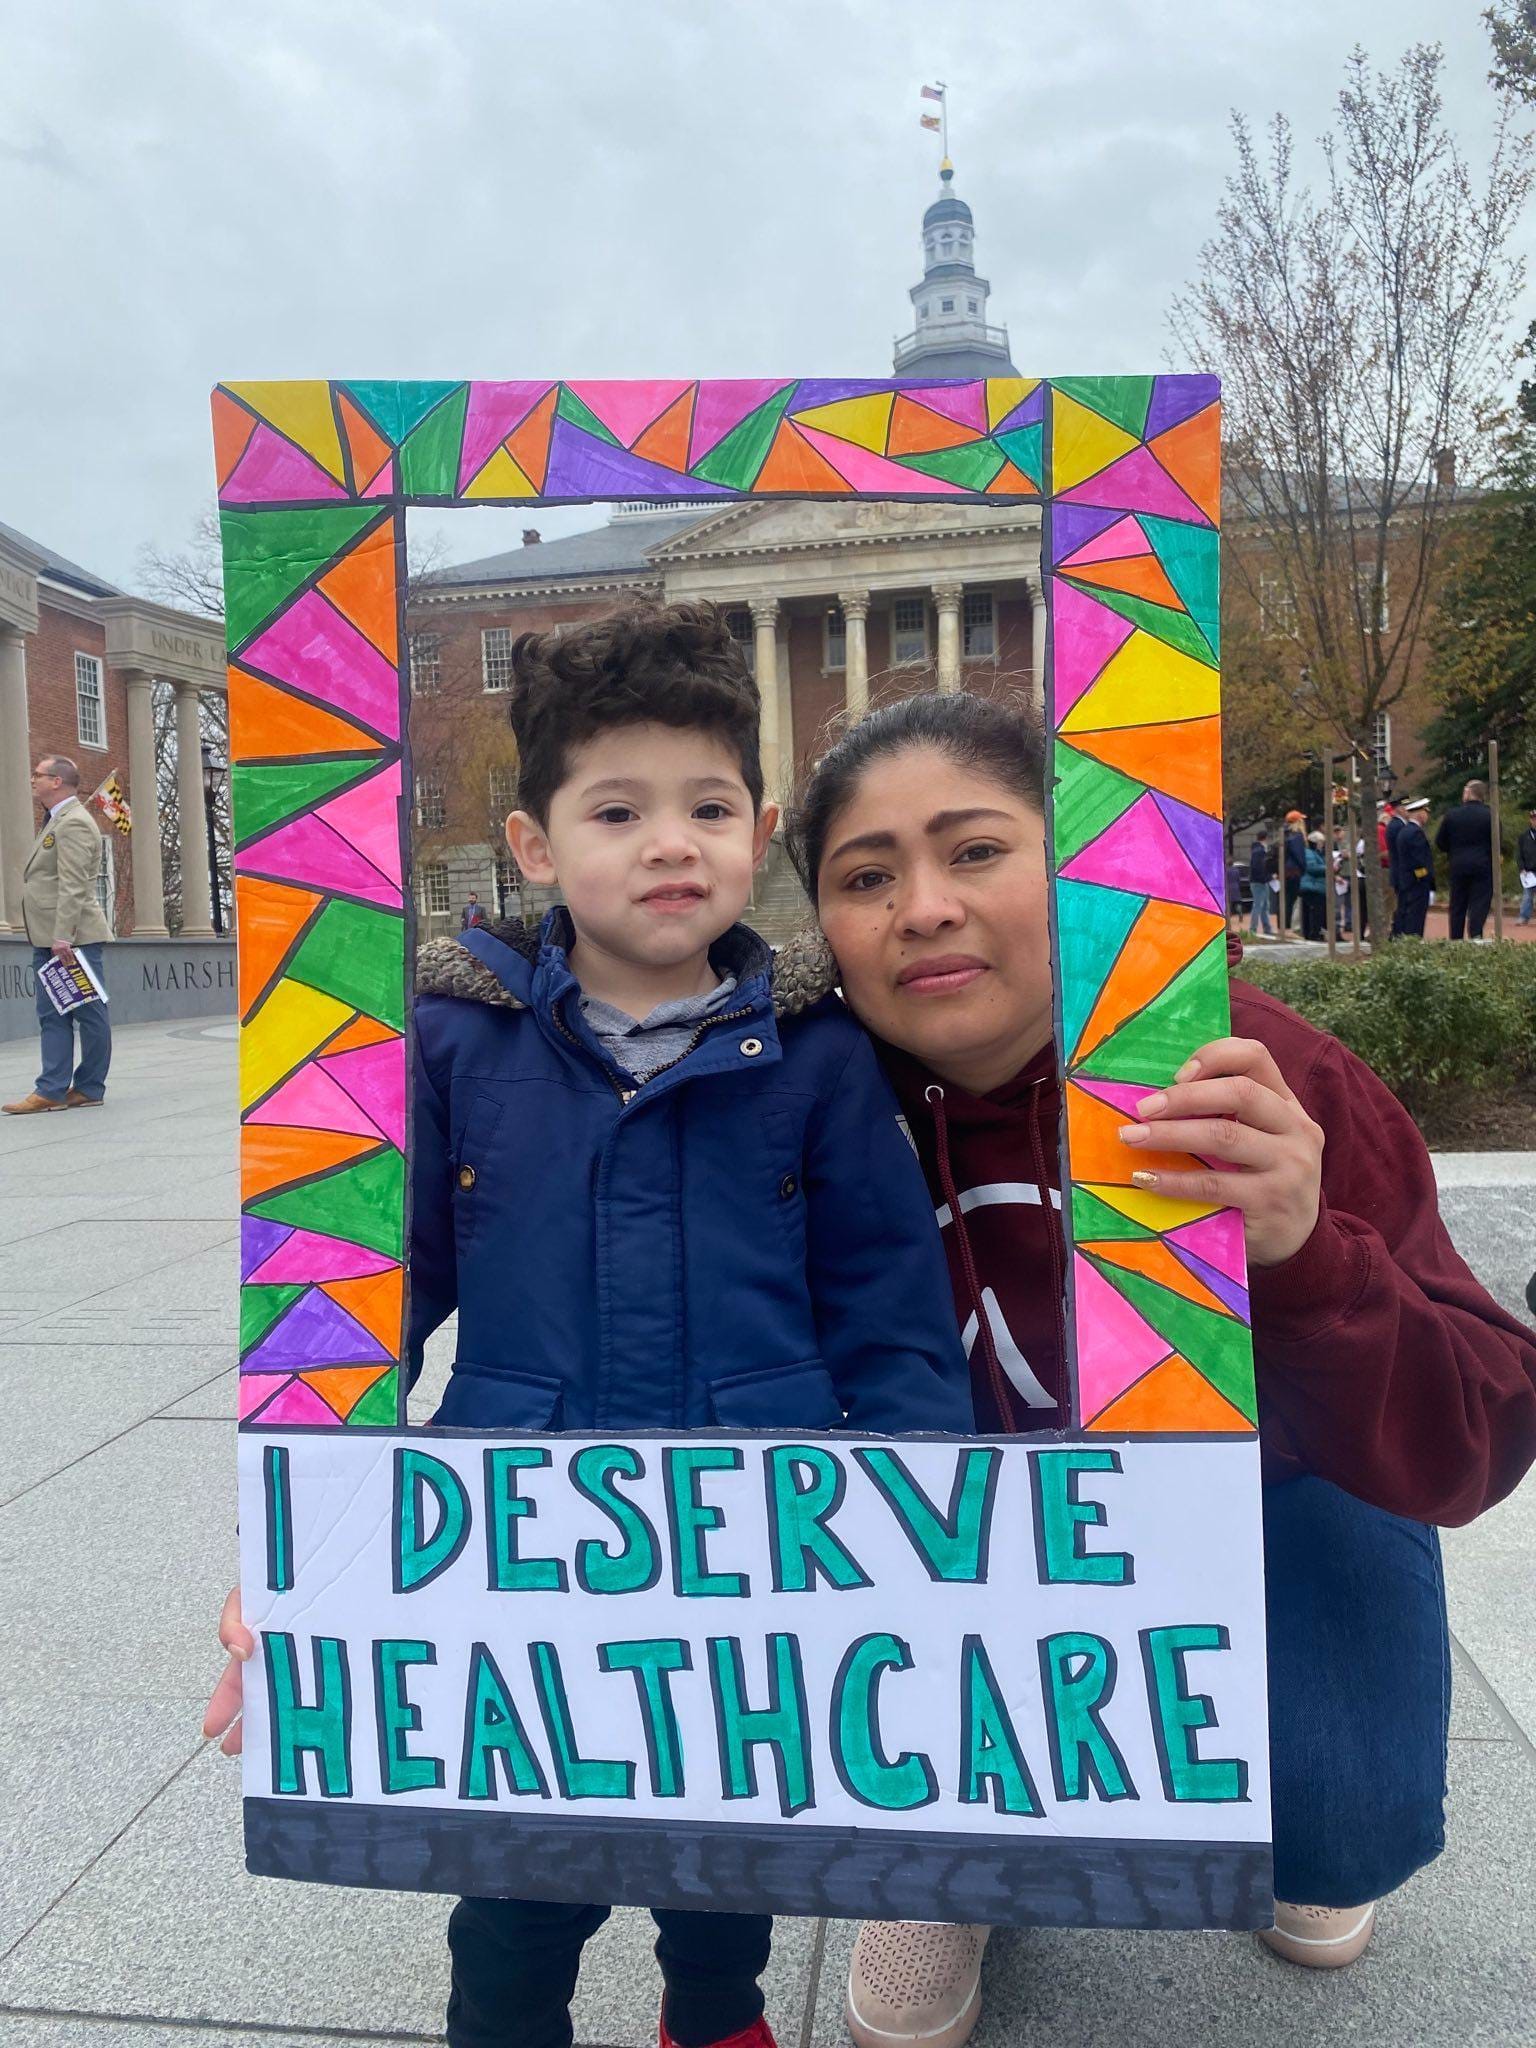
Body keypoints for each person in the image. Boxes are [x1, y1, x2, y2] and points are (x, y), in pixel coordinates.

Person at [202, 603, 972, 2048]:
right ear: (537, 845)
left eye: (708, 806)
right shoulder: (451, 1040)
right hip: (517, 1526)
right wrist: (298, 1540)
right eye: (618, 810)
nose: (670, 842)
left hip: (760, 1520)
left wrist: (935, 1528)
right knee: (514, 1878)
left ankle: (713, 2014)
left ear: (759, 830)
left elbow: (887, 1308)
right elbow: (366, 1297)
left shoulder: (814, 1050)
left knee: (726, 1840)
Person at [780, 692, 1536, 2048]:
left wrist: (1309, 1256)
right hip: (948, 1538)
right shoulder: (790, 1105)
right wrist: (353, 1580)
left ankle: (1298, 1796)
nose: (926, 908)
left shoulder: (1258, 1070)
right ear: (825, 926)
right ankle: (949, 1844)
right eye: (866, 876)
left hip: (1257, 1506)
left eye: (974, 851)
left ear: (1073, 869)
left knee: (1341, 1822)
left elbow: (1482, 1431)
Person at [2, 755, 113, 1116]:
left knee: (89, 1013)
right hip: (49, 937)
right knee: (52, 1014)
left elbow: (74, 884)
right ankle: (51, 1088)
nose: (32, 779)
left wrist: (62, 935)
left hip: (70, 939)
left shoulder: (74, 823)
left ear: (57, 782)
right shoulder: (55, 821)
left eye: (39, 775)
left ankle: (88, 1086)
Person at [1436, 780, 1496, 941]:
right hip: (1482, 864)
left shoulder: (1452, 814)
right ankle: (1475, 936)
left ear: (1469, 793)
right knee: (1479, 903)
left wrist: (1454, 851)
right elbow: (1497, 841)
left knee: (1457, 905)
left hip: (1458, 864)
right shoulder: (1490, 815)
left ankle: (1455, 939)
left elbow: (1440, 841)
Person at [1392, 798, 1434, 939]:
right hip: (1416, 883)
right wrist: (1424, 878)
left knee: (1406, 914)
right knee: (1415, 918)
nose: (1427, 816)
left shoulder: (1405, 831)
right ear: (1420, 813)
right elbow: (1419, 861)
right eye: (1425, 812)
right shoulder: (1415, 833)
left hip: (1408, 881)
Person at [1298, 830, 1328, 942]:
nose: (1322, 845)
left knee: (1311, 910)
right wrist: (1327, 867)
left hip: (1313, 885)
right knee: (1316, 911)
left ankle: (1312, 933)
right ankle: (1314, 933)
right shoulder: (1309, 853)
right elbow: (1311, 867)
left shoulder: (1313, 853)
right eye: (1320, 842)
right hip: (1312, 886)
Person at [1247, 829, 1275, 939]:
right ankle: (1254, 929)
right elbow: (1259, 867)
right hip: (1260, 881)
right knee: (1259, 905)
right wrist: (1268, 876)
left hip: (1259, 881)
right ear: (1266, 838)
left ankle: (1266, 928)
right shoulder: (1260, 851)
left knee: (1263, 905)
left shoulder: (1256, 850)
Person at [1281, 810, 1307, 931]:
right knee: (1292, 900)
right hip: (1294, 871)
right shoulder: (1297, 836)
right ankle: (1288, 926)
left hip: (1286, 871)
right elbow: (1299, 855)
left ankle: (1284, 926)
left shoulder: (1284, 834)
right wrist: (1303, 868)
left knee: (1286, 899)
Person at [1518, 805, 1536, 926]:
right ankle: (1524, 917)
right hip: (1529, 871)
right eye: (1533, 818)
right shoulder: (1524, 836)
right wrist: (1521, 868)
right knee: (1527, 896)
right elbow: (1519, 854)